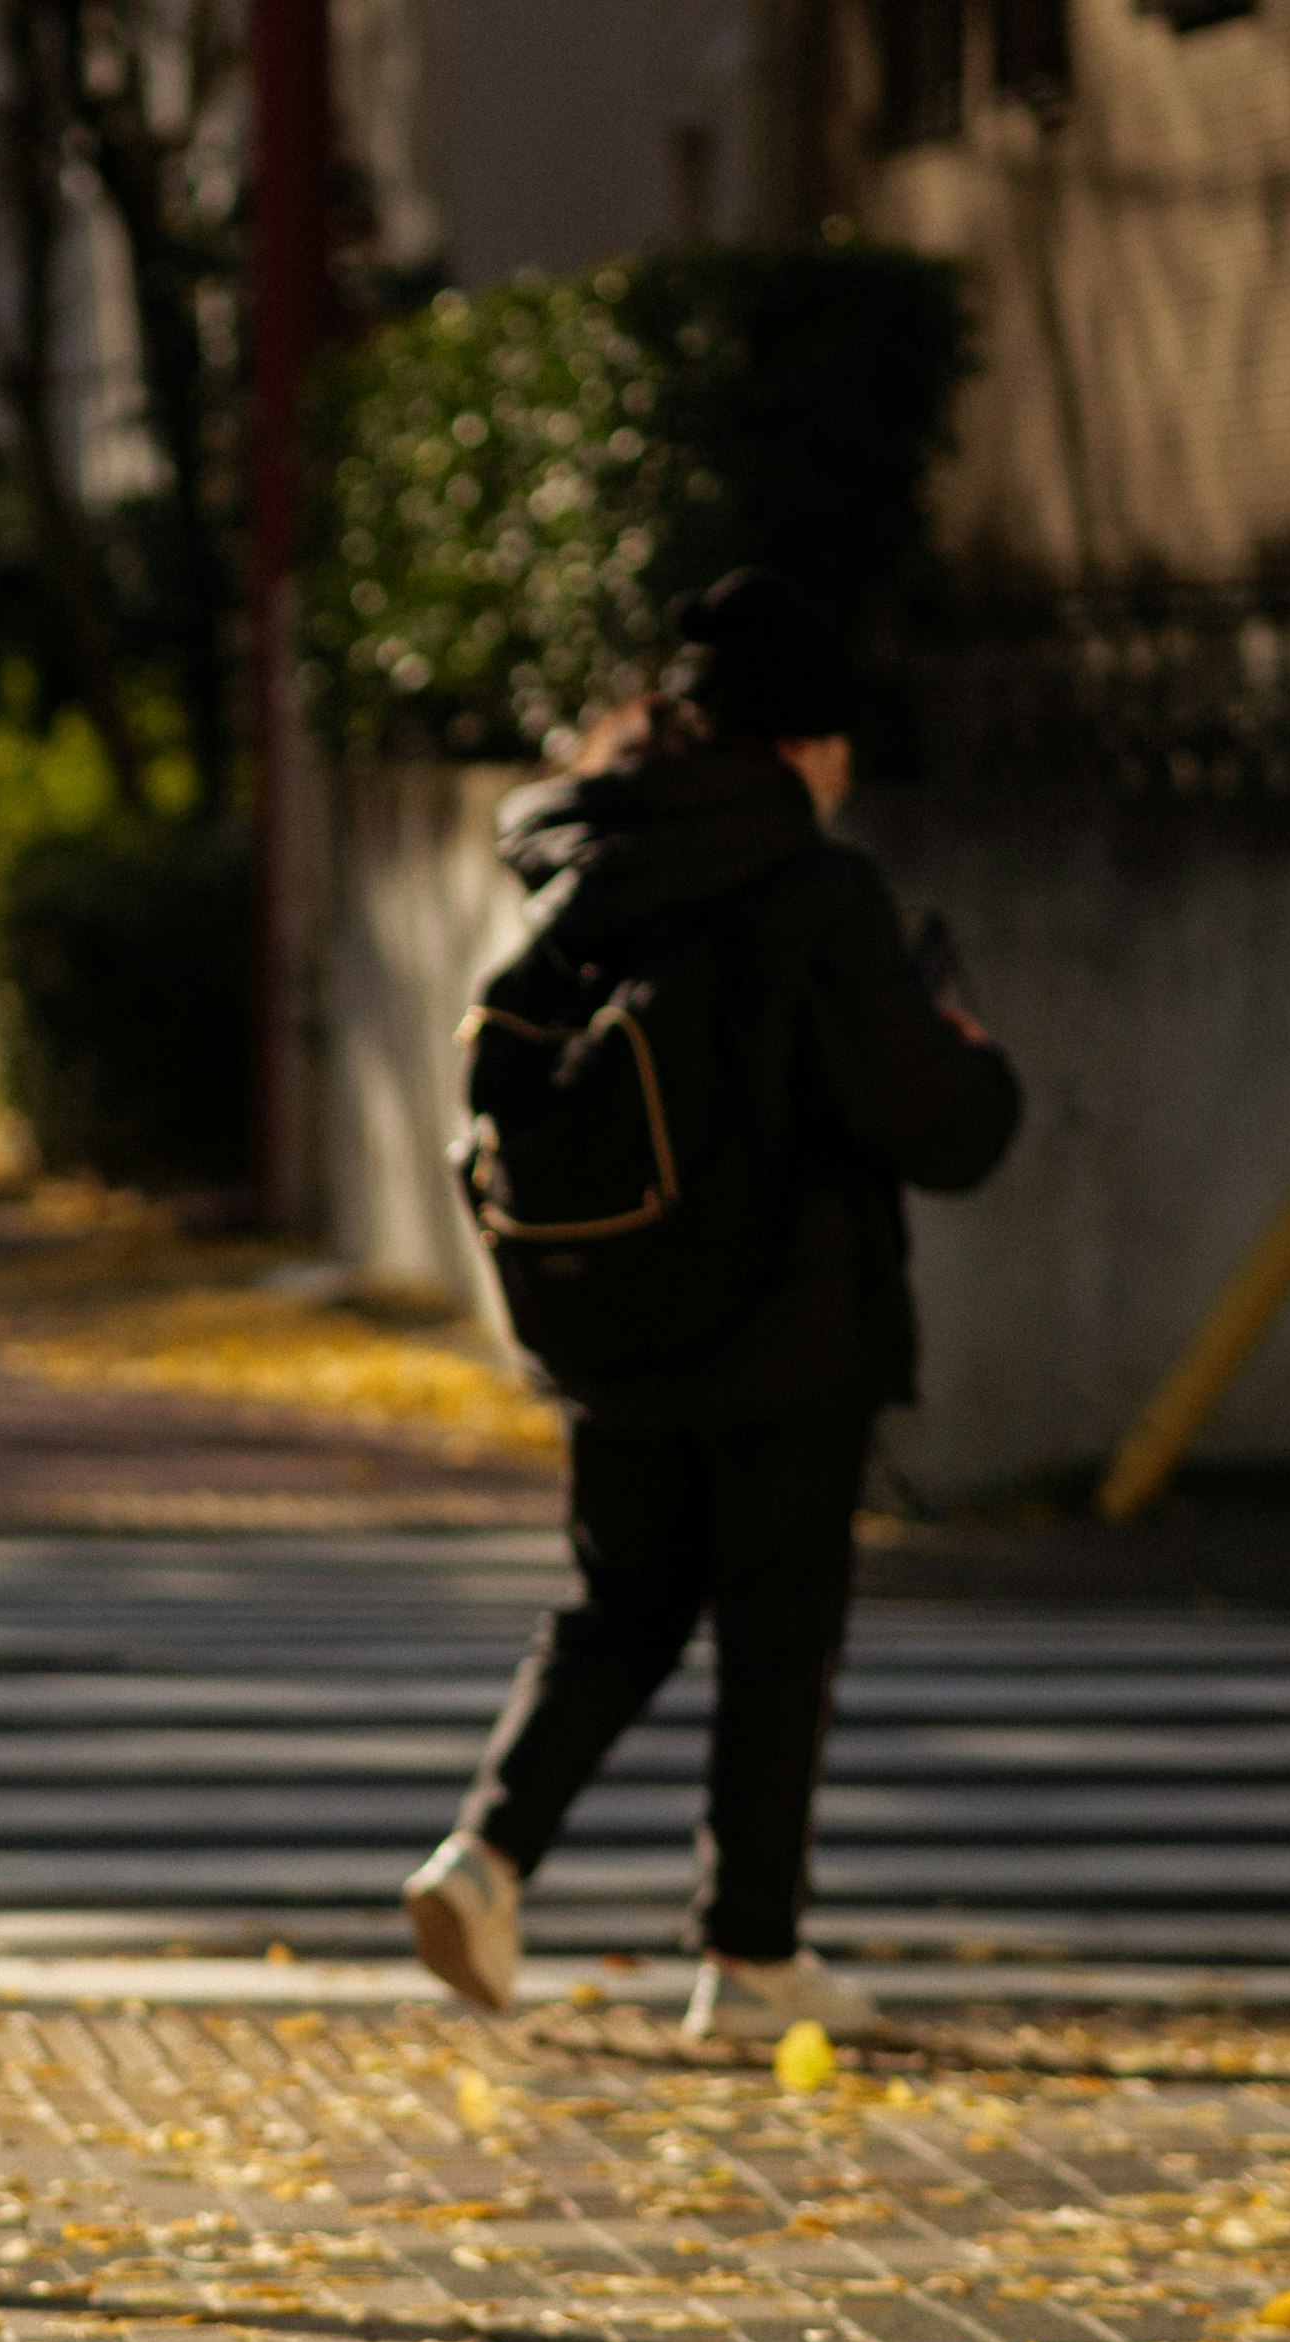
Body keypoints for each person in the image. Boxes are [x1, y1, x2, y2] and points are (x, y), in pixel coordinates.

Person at [399, 569, 1022, 2045]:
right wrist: (974, 1057)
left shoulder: (590, 859)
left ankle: (482, 1858)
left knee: (619, 1606)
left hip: (619, 1319)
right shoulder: (819, 889)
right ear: (808, 742)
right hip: (791, 1328)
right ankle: (749, 1959)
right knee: (776, 1632)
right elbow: (927, 1115)